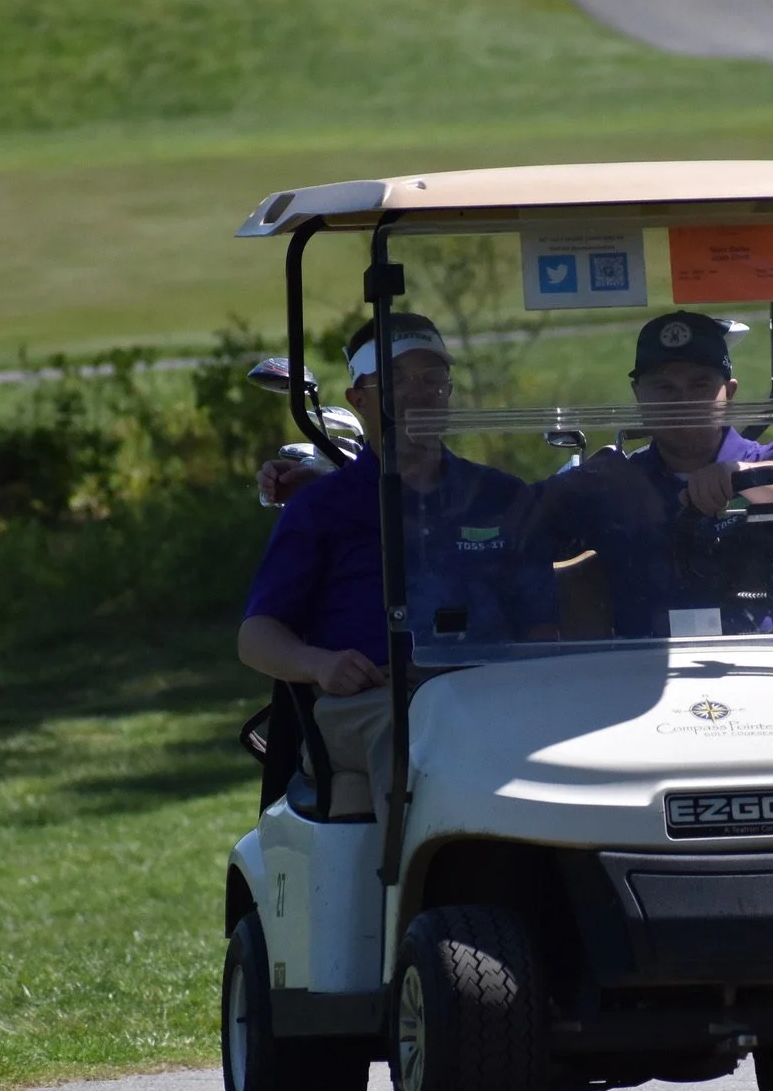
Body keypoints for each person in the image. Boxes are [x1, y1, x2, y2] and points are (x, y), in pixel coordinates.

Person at [237, 313, 553, 814]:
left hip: (486, 685)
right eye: (397, 382)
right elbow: (256, 636)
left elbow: (541, 623)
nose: (419, 393)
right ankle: (424, 886)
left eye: (432, 379)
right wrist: (321, 664)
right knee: (417, 734)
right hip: (374, 697)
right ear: (359, 400)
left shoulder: (498, 495)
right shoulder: (321, 506)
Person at [526, 310, 773, 640]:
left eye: (700, 384)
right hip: (650, 671)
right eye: (664, 388)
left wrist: (736, 477)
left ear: (728, 392)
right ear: (639, 397)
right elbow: (513, 525)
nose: (683, 402)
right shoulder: (617, 483)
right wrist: (575, 490)